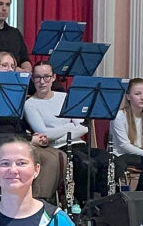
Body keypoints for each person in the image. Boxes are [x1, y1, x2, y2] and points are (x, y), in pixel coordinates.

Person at [0, 51, 65, 202]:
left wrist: (33, 137)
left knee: (59, 155)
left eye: (13, 66)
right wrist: (29, 140)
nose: (10, 70)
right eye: (5, 65)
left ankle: (44, 201)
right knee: (47, 159)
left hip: (19, 139)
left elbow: (19, 125)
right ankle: (37, 200)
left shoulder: (15, 92)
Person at [23, 62, 101, 204]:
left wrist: (62, 132)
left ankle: (104, 202)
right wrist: (69, 127)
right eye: (38, 77)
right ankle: (84, 205)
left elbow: (84, 127)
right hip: (57, 147)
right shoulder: (30, 104)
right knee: (86, 164)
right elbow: (44, 134)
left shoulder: (64, 97)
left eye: (46, 77)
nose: (42, 81)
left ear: (53, 77)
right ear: (32, 79)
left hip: (78, 143)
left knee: (108, 161)